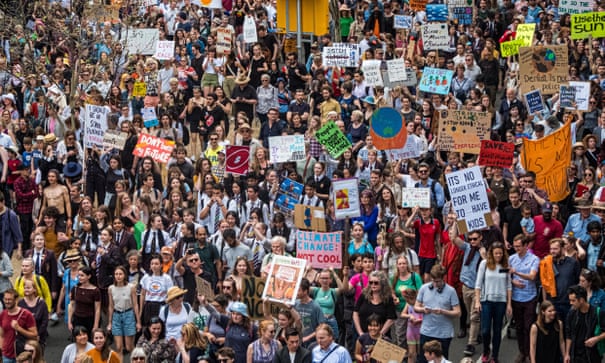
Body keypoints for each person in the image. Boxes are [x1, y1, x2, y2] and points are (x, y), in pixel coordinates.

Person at [414, 265, 461, 363]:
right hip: (427, 331)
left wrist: (443, 311)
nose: (435, 284)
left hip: (443, 334)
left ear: (443, 278)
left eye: (438, 281)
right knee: (423, 360)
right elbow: (416, 307)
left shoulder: (451, 291)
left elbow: (458, 312)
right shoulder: (424, 288)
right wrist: (423, 310)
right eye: (433, 280)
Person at [474, 242, 512, 363]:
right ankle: (486, 351)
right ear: (491, 253)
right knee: (485, 330)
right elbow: (478, 284)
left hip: (500, 302)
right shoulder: (484, 264)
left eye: (500, 253)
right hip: (486, 301)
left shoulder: (505, 265)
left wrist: (509, 304)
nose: (498, 255)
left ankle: (495, 356)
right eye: (496, 253)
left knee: (497, 330)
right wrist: (477, 301)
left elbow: (509, 286)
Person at [509, 234, 540, 363]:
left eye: (519, 246)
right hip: (516, 297)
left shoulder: (534, 259)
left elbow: (532, 276)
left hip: (530, 297)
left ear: (526, 246)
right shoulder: (511, 259)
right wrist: (513, 281)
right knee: (519, 327)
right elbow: (505, 275)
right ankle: (522, 351)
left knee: (529, 327)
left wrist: (516, 273)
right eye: (515, 246)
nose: (516, 249)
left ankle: (529, 352)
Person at [564, 285, 605, 363]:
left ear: (582, 300)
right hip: (575, 356)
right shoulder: (571, 314)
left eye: (573, 300)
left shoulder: (597, 313)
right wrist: (567, 354)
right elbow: (568, 335)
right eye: (570, 300)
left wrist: (596, 339)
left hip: (592, 356)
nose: (570, 303)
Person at [107, 265, 140, 360]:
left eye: (120, 274)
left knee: (129, 347)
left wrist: (138, 322)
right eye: (116, 274)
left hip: (128, 314)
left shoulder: (131, 287)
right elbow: (111, 305)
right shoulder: (111, 288)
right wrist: (109, 322)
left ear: (124, 275)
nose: (118, 276)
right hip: (116, 316)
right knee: (118, 347)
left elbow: (135, 305)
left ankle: (137, 360)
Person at [0, 289, 38, 362]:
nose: (7, 301)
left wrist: (19, 328)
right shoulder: (3, 314)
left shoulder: (26, 314)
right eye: (5, 299)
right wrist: (1, 350)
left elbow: (34, 335)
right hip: (6, 356)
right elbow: (2, 335)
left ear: (16, 300)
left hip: (23, 356)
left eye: (10, 299)